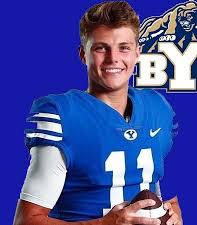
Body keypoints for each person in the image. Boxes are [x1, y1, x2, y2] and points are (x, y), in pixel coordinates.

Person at [13, 1, 182, 225]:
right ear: (84, 54)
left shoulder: (157, 108)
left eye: (124, 47)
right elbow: (26, 221)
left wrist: (172, 212)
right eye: (101, 48)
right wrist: (103, 224)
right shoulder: (63, 115)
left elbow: (152, 184)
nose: (113, 58)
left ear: (137, 53)